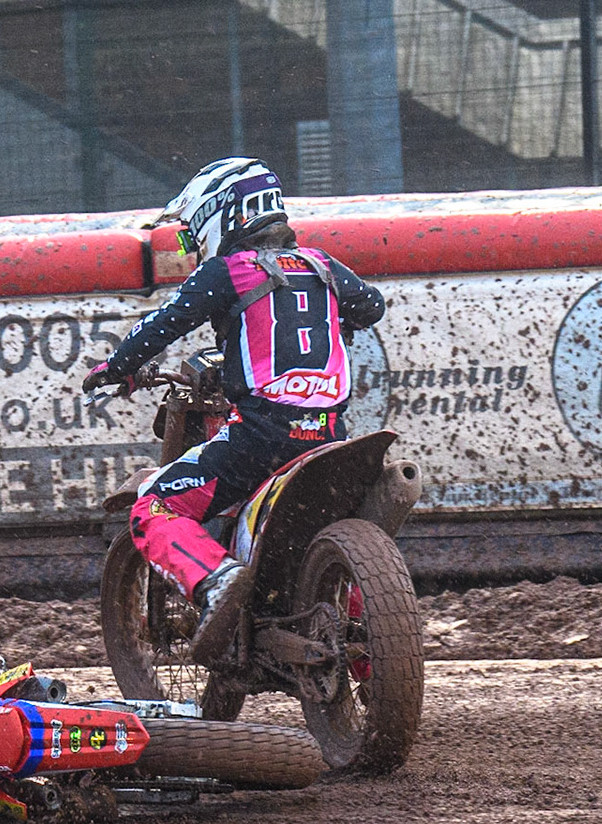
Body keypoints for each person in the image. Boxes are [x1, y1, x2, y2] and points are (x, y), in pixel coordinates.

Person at [83, 157, 387, 661]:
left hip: (262, 438)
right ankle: (365, 643)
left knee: (154, 504)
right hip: (333, 435)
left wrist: (114, 369)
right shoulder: (323, 266)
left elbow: (163, 324)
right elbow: (371, 306)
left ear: (220, 216)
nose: (190, 245)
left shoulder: (227, 271)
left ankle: (217, 577)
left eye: (189, 234)